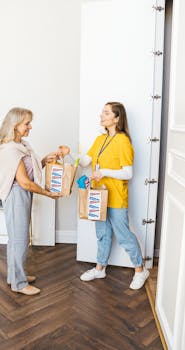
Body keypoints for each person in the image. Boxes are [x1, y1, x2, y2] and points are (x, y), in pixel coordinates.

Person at [63, 102, 149, 289]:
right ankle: (100, 268)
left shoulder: (123, 141)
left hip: (116, 197)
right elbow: (85, 161)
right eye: (102, 112)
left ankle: (140, 270)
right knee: (102, 234)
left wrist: (104, 173)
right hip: (98, 196)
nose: (101, 115)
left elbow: (128, 173)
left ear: (117, 118)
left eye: (106, 113)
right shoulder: (100, 139)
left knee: (124, 235)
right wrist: (70, 154)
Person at [0, 107, 60, 296]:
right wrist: (48, 193)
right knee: (19, 240)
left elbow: (30, 169)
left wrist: (45, 160)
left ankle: (13, 276)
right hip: (16, 195)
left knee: (17, 239)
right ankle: (19, 283)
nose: (30, 127)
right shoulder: (9, 149)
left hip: (22, 194)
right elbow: (24, 181)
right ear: (14, 125)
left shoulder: (21, 145)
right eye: (26, 123)